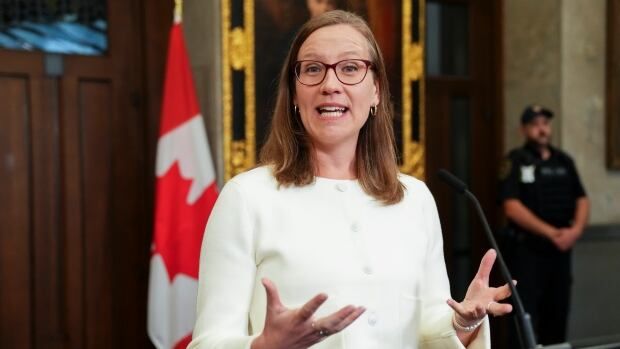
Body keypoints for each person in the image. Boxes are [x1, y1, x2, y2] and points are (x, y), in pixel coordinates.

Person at [188, 10, 513, 349]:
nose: (330, 85)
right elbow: (208, 342)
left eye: (350, 68)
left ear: (375, 91)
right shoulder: (247, 197)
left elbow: (429, 330)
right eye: (313, 69)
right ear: (294, 95)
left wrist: (462, 322)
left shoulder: (414, 198)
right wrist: (264, 346)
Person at [498, 105, 590, 347]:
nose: (542, 129)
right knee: (523, 320)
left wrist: (576, 231)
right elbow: (511, 206)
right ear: (524, 129)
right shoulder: (515, 161)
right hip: (527, 253)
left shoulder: (564, 161)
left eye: (545, 124)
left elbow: (582, 199)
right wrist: (551, 233)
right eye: (535, 124)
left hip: (559, 253)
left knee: (557, 318)